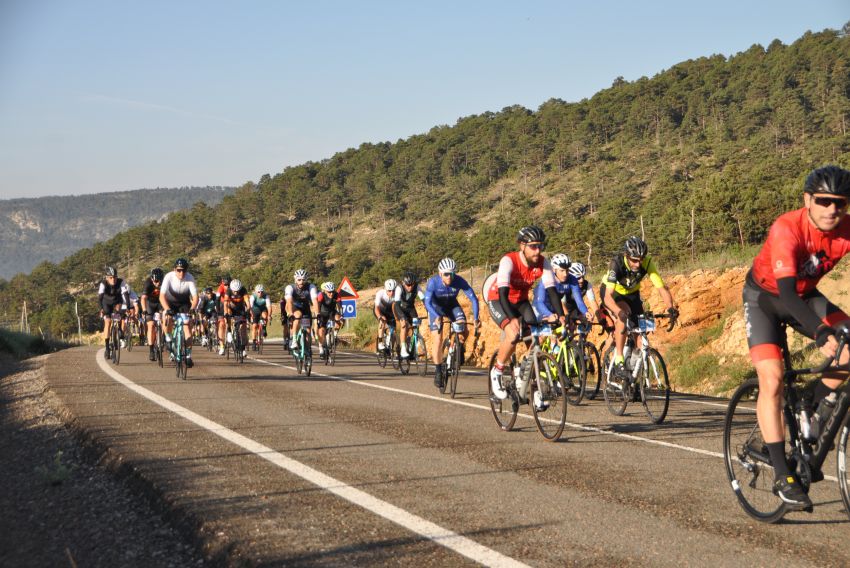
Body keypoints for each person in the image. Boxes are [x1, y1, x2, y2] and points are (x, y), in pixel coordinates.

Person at [744, 165, 850, 510]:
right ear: (808, 200)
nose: (832, 209)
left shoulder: (845, 228)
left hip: (807, 296)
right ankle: (781, 472)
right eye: (824, 201)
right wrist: (820, 331)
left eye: (841, 203)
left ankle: (810, 398)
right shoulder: (787, 229)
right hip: (766, 299)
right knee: (772, 380)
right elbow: (786, 293)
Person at [485, 226, 556, 399]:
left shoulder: (542, 262)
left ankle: (528, 378)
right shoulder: (508, 260)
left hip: (521, 302)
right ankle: (498, 370)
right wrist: (510, 319)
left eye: (540, 246)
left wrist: (559, 315)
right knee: (513, 334)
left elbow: (552, 291)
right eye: (533, 246)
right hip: (498, 299)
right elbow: (502, 294)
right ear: (522, 246)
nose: (537, 250)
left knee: (535, 338)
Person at [599, 236, 678, 383]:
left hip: (632, 294)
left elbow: (661, 287)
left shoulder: (647, 263)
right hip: (612, 293)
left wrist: (670, 308)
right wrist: (618, 312)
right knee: (623, 316)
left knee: (640, 332)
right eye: (634, 260)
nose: (638, 263)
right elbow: (608, 297)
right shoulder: (616, 263)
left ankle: (634, 378)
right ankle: (619, 359)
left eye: (640, 259)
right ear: (626, 256)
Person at [423, 258, 480, 389]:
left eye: (452, 274)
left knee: (463, 326)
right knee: (437, 339)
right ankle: (438, 370)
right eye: (446, 274)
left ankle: (458, 346)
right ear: (440, 273)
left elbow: (474, 299)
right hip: (436, 308)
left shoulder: (459, 281)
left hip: (452, 305)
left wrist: (476, 318)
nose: (450, 277)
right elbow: (427, 303)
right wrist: (437, 316)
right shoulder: (433, 282)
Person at [160, 258, 200, 367]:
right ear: (174, 269)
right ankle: (168, 337)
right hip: (170, 303)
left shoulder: (190, 278)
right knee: (167, 318)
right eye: (178, 270)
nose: (181, 273)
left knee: (187, 326)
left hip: (184, 304)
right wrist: (167, 309)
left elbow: (195, 297)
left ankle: (188, 355)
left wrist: (192, 308)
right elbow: (162, 296)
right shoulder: (169, 277)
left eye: (183, 270)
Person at [97, 266, 130, 354]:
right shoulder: (103, 284)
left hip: (117, 303)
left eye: (115, 277)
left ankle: (119, 330)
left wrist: (128, 307)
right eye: (111, 277)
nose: (113, 279)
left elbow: (125, 294)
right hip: (106, 303)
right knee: (108, 322)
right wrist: (101, 309)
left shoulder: (121, 282)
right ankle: (107, 347)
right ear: (107, 278)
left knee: (119, 314)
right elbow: (100, 298)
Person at [393, 271, 424, 360]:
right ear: (403, 283)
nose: (410, 287)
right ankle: (403, 348)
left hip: (410, 308)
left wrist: (430, 312)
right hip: (400, 308)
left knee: (416, 326)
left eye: (412, 285)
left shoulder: (417, 287)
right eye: (408, 285)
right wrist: (402, 318)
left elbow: (424, 300)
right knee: (404, 325)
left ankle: (412, 347)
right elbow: (396, 304)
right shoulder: (399, 288)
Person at [285, 269, 319, 351]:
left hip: (305, 308)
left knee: (307, 330)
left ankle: (307, 351)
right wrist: (290, 313)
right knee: (297, 316)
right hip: (294, 307)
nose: (301, 282)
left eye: (303, 280)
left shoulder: (311, 287)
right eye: (299, 280)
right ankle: (294, 340)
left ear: (306, 280)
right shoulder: (290, 287)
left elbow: (314, 301)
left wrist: (318, 314)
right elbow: (289, 301)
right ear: (295, 279)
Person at [141, 267, 164, 361]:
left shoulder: (165, 283)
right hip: (150, 304)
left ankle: (161, 341)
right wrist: (144, 310)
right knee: (150, 325)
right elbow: (143, 298)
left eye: (160, 281)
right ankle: (151, 350)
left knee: (164, 321)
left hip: (160, 303)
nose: (158, 283)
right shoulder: (148, 283)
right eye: (156, 281)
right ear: (152, 279)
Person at [223, 278, 250, 357]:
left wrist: (248, 310)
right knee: (227, 313)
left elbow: (247, 302)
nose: (236, 292)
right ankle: (228, 331)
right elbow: (225, 303)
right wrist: (225, 313)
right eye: (234, 291)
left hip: (240, 309)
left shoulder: (243, 290)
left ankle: (243, 348)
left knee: (243, 328)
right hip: (231, 308)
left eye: (237, 291)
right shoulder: (228, 291)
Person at [316, 281, 343, 357]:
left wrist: (341, 316)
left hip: (332, 312)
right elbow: (318, 305)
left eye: (332, 292)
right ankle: (321, 348)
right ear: (325, 291)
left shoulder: (337, 295)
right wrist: (318, 314)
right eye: (329, 292)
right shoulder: (321, 295)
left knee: (339, 319)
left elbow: (340, 306)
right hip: (323, 313)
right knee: (321, 330)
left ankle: (334, 336)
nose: (331, 294)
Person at [373, 279, 397, 354]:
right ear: (385, 289)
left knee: (393, 330)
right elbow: (376, 308)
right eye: (389, 291)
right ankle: (380, 343)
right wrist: (380, 316)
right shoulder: (380, 293)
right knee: (382, 322)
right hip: (380, 310)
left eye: (393, 290)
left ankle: (390, 348)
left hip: (390, 311)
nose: (391, 292)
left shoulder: (397, 294)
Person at [249, 284, 272, 348]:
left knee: (265, 316)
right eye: (258, 292)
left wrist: (269, 315)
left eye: (261, 292)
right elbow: (250, 306)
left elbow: (269, 307)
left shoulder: (266, 296)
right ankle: (254, 342)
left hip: (263, 309)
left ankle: (264, 328)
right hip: (255, 310)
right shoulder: (253, 296)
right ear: (256, 292)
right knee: (254, 326)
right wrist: (251, 315)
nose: (260, 293)